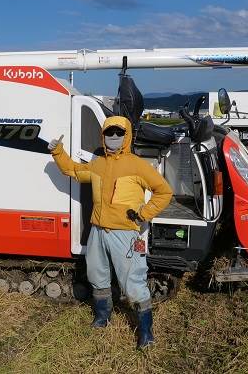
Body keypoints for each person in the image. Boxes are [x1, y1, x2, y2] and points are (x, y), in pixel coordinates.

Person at [48, 116, 172, 349]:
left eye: (118, 133)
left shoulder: (137, 164)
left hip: (125, 234)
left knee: (133, 284)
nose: (113, 137)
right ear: (103, 136)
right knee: (96, 276)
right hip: (98, 231)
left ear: (127, 137)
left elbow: (164, 191)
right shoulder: (98, 164)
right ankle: (102, 318)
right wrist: (58, 152)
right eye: (109, 133)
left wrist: (144, 213)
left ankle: (146, 333)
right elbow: (72, 170)